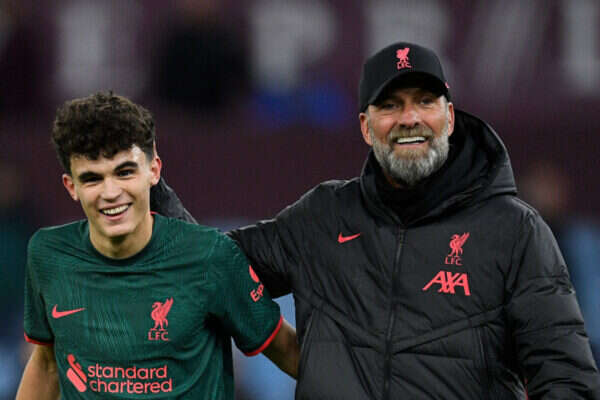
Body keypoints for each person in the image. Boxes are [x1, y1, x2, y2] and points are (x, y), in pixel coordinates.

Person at [151, 42, 600, 398]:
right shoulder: (324, 216)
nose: (409, 118)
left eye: (425, 101)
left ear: (449, 118)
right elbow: (214, 264)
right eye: (390, 105)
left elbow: (566, 378)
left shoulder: (513, 230)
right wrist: (147, 185)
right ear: (366, 127)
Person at [16, 91, 298, 399]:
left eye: (124, 172)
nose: (110, 193)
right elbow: (47, 364)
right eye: (92, 179)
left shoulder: (211, 255)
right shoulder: (48, 254)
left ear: (154, 170)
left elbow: (286, 349)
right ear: (71, 186)